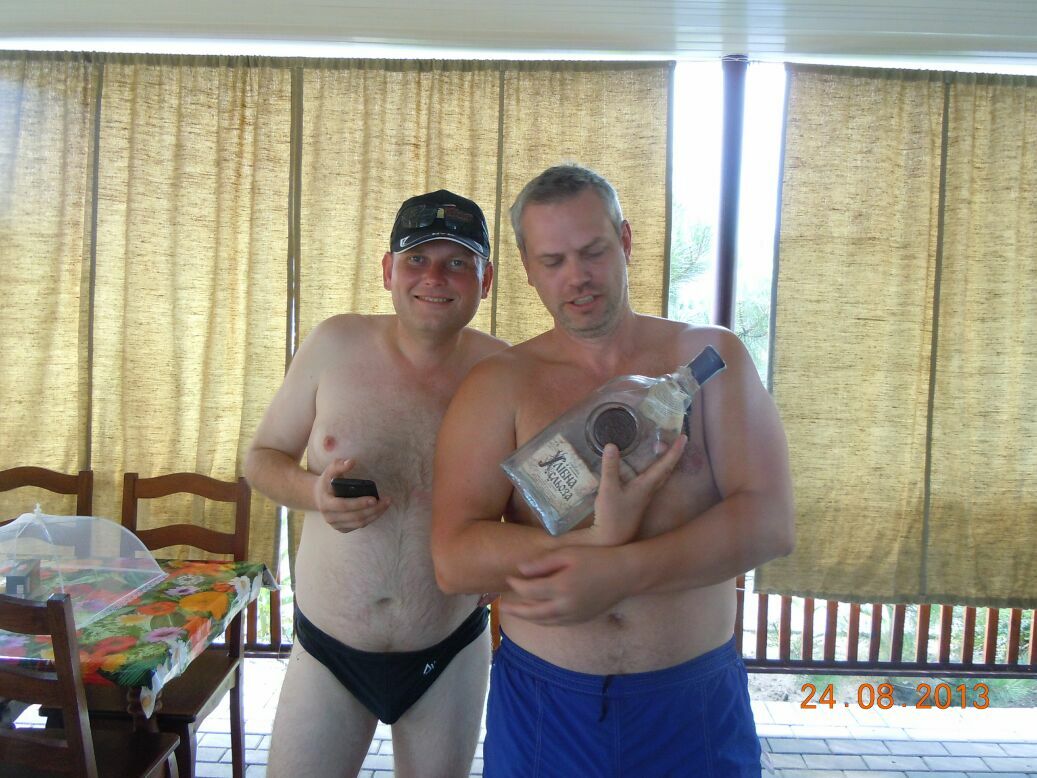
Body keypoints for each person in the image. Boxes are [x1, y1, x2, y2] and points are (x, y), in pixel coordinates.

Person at [431, 164, 794, 777]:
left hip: (691, 706)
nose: (576, 277)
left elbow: (769, 522)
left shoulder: (708, 359)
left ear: (625, 241)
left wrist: (622, 570)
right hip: (547, 708)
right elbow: (454, 557)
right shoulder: (501, 384)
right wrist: (592, 545)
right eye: (553, 261)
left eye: (593, 251)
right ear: (527, 268)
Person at [246, 189, 507, 777]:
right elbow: (261, 459)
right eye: (417, 259)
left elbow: (533, 498)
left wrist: (506, 561)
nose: (434, 276)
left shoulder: (503, 371)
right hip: (328, 651)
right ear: (389, 270)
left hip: (450, 649)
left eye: (457, 262)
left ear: (485, 280)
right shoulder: (334, 345)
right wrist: (313, 494)